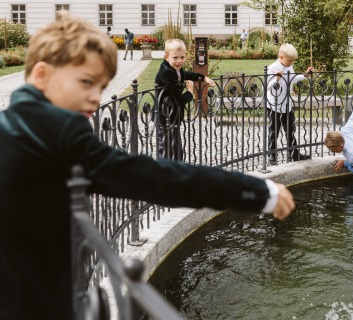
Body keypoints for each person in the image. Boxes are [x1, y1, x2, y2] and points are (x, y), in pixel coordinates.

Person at [0, 14, 295, 320]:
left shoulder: (17, 126)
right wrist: (260, 192)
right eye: (86, 82)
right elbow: (158, 178)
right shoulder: (57, 133)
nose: (94, 97)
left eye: (100, 85)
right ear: (41, 75)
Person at [154, 38, 216, 161]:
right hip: (165, 116)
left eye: (182, 57)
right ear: (166, 57)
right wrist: (190, 91)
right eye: (175, 58)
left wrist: (203, 78)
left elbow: (186, 74)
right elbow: (179, 99)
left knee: (176, 147)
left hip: (173, 115)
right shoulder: (166, 72)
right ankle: (164, 173)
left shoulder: (174, 69)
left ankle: (177, 169)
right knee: (166, 149)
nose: (179, 61)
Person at [266, 43, 315, 165]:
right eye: (290, 60)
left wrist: (305, 75)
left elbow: (292, 78)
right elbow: (266, 86)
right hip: (274, 105)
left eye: (293, 60)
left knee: (290, 129)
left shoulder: (289, 67)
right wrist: (276, 79)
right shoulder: (272, 68)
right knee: (274, 131)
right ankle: (272, 155)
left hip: (287, 104)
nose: (292, 63)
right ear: (281, 57)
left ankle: (294, 154)